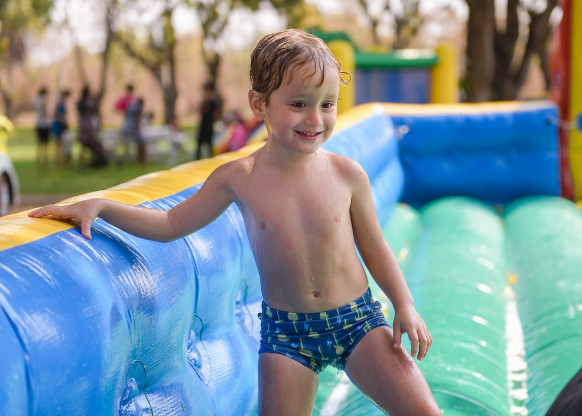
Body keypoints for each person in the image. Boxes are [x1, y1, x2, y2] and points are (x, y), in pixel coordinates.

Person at [28, 29, 440, 415]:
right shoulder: (240, 178)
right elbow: (170, 223)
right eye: (298, 104)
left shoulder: (347, 174)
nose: (315, 119)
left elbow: (375, 246)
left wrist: (404, 304)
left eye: (326, 105)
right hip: (288, 336)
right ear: (259, 104)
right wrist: (103, 207)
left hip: (357, 321)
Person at [76, 85, 108, 168]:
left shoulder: (80, 101)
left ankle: (82, 163)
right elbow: (96, 112)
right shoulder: (90, 101)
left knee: (83, 146)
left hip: (82, 125)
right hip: (90, 125)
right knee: (94, 144)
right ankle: (97, 161)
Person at [195, 80, 222, 160]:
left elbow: (217, 113)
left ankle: (211, 158)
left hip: (209, 124)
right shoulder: (204, 101)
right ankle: (198, 158)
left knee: (209, 143)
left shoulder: (213, 101)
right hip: (203, 124)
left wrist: (213, 119)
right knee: (200, 143)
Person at [121, 97, 145, 164]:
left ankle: (128, 159)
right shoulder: (138, 106)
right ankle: (142, 161)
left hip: (125, 127)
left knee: (127, 144)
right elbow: (138, 117)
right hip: (132, 128)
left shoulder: (130, 106)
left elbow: (126, 114)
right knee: (142, 142)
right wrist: (138, 128)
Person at [33, 87, 52, 170]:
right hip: (45, 124)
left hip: (38, 124)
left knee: (39, 144)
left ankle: (38, 163)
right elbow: (46, 112)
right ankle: (45, 164)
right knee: (45, 145)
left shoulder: (36, 100)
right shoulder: (44, 100)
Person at [52, 89, 71, 167]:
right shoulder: (60, 102)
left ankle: (62, 160)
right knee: (58, 143)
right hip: (58, 124)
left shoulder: (62, 102)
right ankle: (58, 161)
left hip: (61, 124)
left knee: (63, 143)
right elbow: (55, 113)